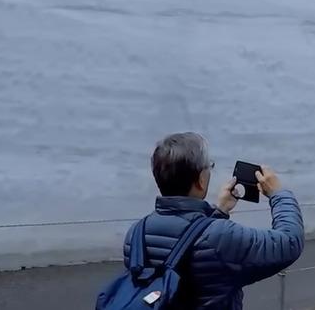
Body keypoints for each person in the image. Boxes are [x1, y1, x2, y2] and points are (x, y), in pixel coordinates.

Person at [125, 132, 304, 309]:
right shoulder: (221, 237)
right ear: (201, 179)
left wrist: (219, 212)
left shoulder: (136, 232)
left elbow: (189, 251)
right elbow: (289, 242)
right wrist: (278, 194)